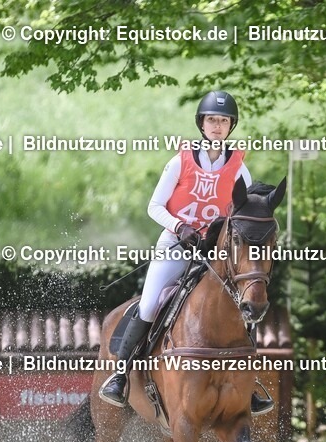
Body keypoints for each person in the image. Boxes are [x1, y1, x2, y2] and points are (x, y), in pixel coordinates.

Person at [98, 91, 274, 415]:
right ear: (202, 124)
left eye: (223, 121)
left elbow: (247, 213)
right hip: (176, 246)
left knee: (241, 306)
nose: (217, 126)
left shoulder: (238, 169)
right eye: (212, 120)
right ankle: (121, 376)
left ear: (231, 125)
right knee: (150, 304)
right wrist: (180, 228)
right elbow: (154, 206)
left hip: (215, 254)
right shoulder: (180, 161)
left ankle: (249, 385)